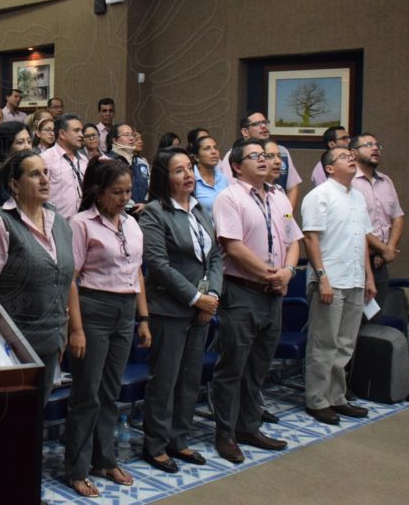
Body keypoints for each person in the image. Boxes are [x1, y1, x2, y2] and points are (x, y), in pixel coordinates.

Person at [210, 138, 302, 464]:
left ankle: (249, 426)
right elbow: (233, 248)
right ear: (236, 166)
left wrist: (288, 271)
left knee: (258, 366)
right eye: (254, 156)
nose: (264, 160)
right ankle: (225, 434)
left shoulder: (279, 197)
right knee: (232, 367)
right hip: (242, 291)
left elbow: (293, 239)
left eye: (265, 155)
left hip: (273, 293)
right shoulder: (229, 198)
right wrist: (270, 275)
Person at [64, 158, 151, 497]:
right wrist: (77, 329)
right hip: (93, 309)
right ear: (97, 193)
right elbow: (70, 280)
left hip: (125, 309)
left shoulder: (131, 223)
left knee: (109, 392)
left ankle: (105, 458)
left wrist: (143, 319)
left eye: (128, 191)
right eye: (117, 192)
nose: (124, 198)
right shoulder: (81, 223)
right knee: (86, 394)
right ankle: (77, 468)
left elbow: (137, 273)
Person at [139, 148, 222, 473]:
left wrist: (211, 295)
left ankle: (179, 439)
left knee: (189, 379)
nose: (188, 175)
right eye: (179, 170)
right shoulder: (155, 213)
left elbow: (215, 257)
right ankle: (156, 444)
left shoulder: (200, 210)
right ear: (164, 177)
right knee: (165, 379)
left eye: (190, 168)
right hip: (169, 310)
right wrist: (194, 298)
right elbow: (158, 265)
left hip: (201, 309)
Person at [0, 150, 73, 407]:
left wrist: (66, 328)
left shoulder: (60, 222)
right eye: (35, 174)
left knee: (36, 415)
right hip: (14, 342)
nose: (45, 179)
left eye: (46, 172)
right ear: (14, 185)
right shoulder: (0, 223)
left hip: (52, 338)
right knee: (11, 416)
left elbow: (66, 280)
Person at [301, 146, 376, 425]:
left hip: (355, 278)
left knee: (345, 344)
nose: (352, 158)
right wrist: (322, 278)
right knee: (324, 344)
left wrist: (368, 277)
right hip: (330, 281)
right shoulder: (318, 196)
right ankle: (317, 400)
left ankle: (336, 397)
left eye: (352, 156)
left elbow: (362, 240)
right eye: (345, 157)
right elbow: (310, 239)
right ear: (329, 168)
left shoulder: (356, 196)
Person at [350, 133, 405, 299]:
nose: (375, 148)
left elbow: (397, 217)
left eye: (377, 145)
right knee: (354, 320)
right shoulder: (349, 181)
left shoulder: (386, 180)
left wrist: (388, 249)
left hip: (381, 261)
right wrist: (384, 249)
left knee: (375, 317)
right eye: (368, 145)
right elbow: (355, 224)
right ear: (353, 153)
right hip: (356, 260)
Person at [220, 111, 302, 209]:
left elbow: (292, 188)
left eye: (265, 122)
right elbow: (234, 190)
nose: (263, 126)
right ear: (245, 132)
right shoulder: (234, 155)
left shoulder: (282, 151)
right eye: (257, 124)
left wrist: (286, 218)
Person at [41, 113, 87, 220]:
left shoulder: (84, 160)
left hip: (83, 223)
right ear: (62, 134)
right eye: (76, 131)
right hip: (57, 224)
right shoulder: (45, 159)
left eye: (81, 131)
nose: (81, 135)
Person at [107, 123, 149, 212]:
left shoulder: (141, 163)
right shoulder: (107, 162)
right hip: (116, 213)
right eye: (126, 135)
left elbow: (150, 189)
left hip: (142, 214)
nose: (131, 138)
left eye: (132, 135)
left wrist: (145, 204)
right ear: (114, 140)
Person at [191, 135, 229, 215]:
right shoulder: (190, 179)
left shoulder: (223, 178)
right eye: (207, 148)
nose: (213, 152)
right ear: (197, 157)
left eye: (215, 148)